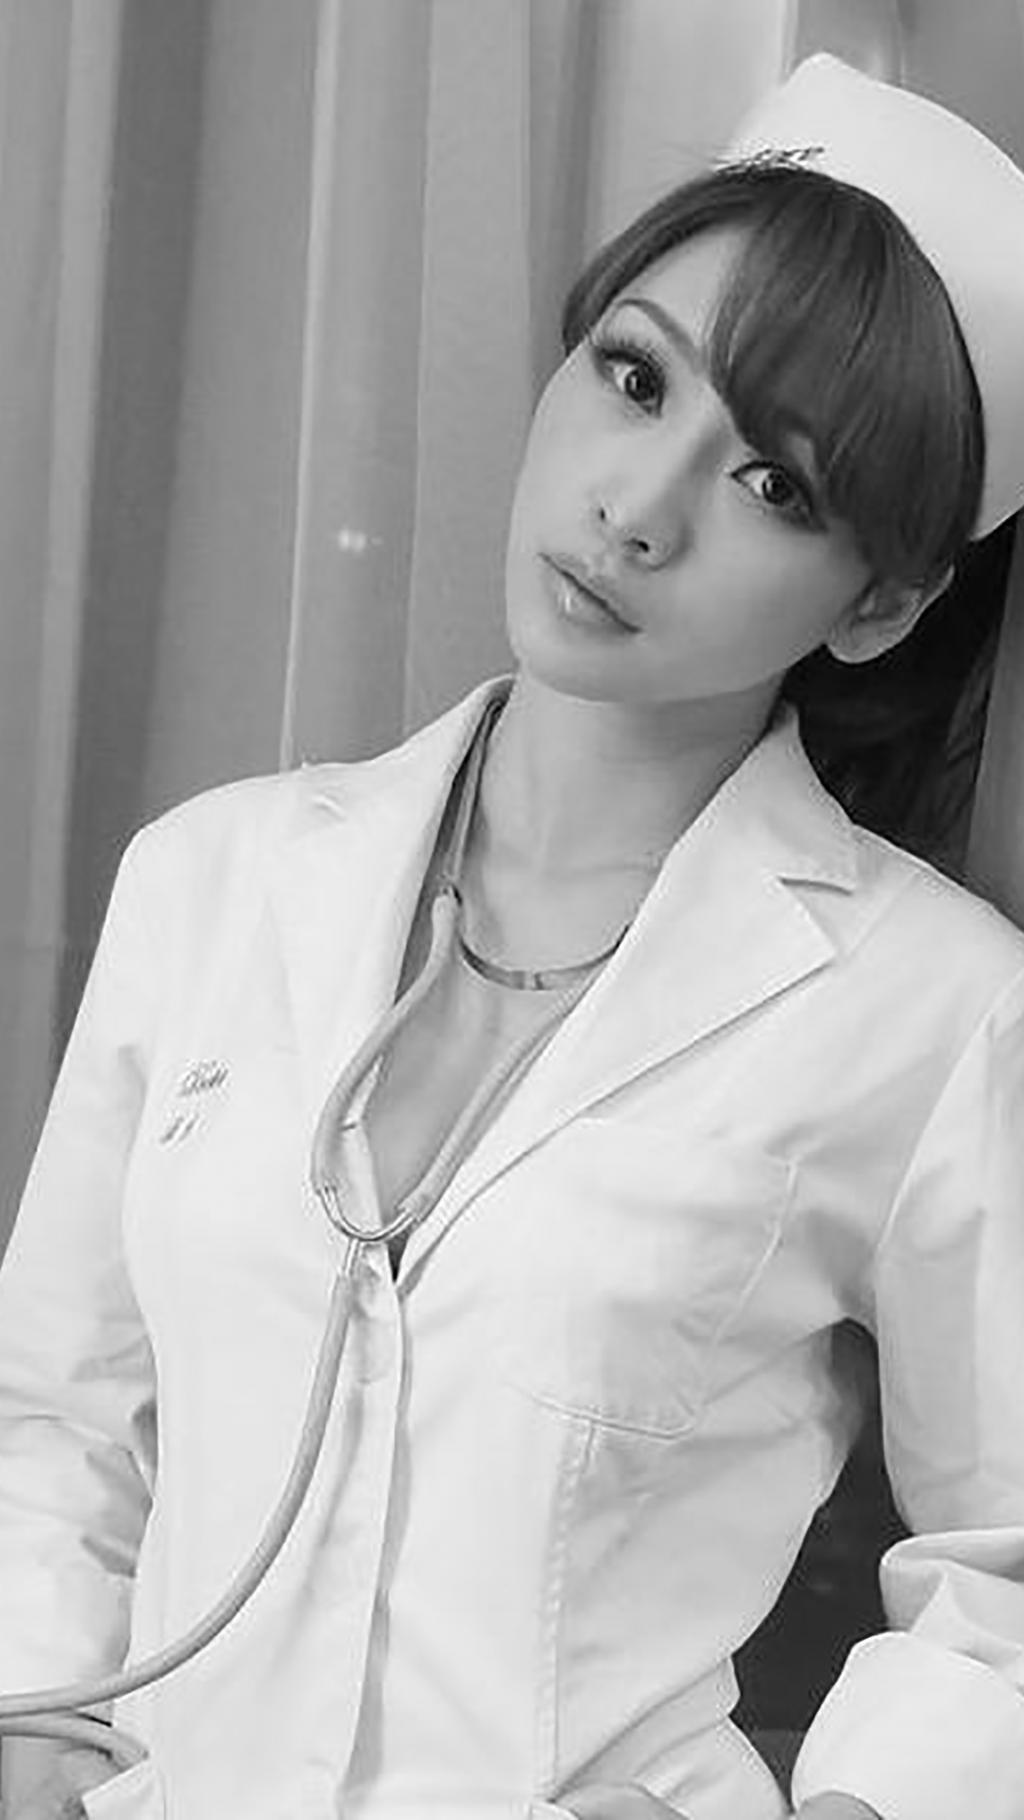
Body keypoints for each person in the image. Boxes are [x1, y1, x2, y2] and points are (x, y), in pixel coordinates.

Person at [1, 50, 1024, 1820]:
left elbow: (1006, 1579)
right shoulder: (214, 879)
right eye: (636, 377)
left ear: (882, 606)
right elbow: (56, 1418)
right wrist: (29, 1722)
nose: (639, 507)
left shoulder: (935, 1009)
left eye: (775, 485)